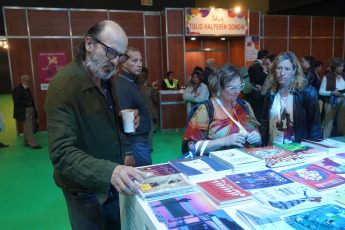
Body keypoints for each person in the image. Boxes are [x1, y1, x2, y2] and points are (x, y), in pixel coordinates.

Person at [44, 20, 151, 230]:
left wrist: (122, 122)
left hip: (112, 179)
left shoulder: (106, 79)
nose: (114, 62)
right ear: (89, 44)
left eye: (120, 56)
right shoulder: (62, 86)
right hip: (84, 190)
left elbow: (99, 122)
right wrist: (110, 172)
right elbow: (62, 154)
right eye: (110, 52)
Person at [182, 64, 261, 155]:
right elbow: (192, 146)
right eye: (232, 88)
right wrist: (224, 141)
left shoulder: (244, 105)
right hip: (217, 165)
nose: (237, 91)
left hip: (246, 162)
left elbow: (256, 132)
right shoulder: (206, 109)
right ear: (219, 87)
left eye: (240, 86)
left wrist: (257, 137)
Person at [260, 51, 322, 146]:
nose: (282, 73)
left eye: (287, 69)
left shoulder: (307, 92)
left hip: (297, 149)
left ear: (294, 71)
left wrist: (313, 149)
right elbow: (264, 123)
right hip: (273, 148)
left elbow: (315, 125)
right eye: (279, 68)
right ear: (274, 70)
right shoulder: (271, 93)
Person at [114, 47, 152, 167]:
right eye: (135, 61)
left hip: (140, 141)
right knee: (141, 181)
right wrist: (129, 152)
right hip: (135, 143)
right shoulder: (123, 86)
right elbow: (123, 122)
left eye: (140, 60)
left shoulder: (132, 82)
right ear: (124, 63)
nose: (139, 64)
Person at [12, 74, 41, 149]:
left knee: (28, 127)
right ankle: (33, 144)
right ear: (21, 81)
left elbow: (31, 101)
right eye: (25, 81)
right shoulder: (17, 90)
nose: (27, 82)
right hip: (24, 111)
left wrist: (34, 111)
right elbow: (16, 101)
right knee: (29, 128)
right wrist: (27, 103)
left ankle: (25, 142)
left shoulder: (27, 89)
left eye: (28, 81)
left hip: (30, 109)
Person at [319, 58, 345, 138]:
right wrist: (332, 92)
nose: (342, 68)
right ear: (334, 66)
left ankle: (339, 141)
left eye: (342, 66)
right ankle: (325, 141)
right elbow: (320, 91)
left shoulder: (344, 76)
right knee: (328, 123)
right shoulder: (327, 77)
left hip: (343, 101)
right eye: (339, 66)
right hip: (330, 101)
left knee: (341, 123)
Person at [137, 68, 158, 153]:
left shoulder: (136, 89)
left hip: (138, 113)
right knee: (150, 130)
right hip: (149, 113)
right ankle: (149, 147)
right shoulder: (149, 89)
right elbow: (155, 100)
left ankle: (140, 147)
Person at [248, 49, 269, 119]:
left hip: (254, 92)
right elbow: (258, 78)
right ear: (264, 57)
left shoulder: (253, 64)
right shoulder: (257, 66)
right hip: (257, 93)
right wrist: (265, 73)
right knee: (258, 113)